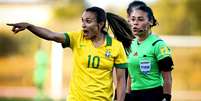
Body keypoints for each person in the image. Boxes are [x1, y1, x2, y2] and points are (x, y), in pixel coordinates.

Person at [7, 6, 134, 101]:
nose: (83, 25)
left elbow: (121, 80)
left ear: (100, 24)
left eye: (88, 21)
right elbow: (51, 35)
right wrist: (29, 26)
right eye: (82, 21)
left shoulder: (116, 47)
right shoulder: (77, 38)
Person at [126, 1, 174, 101]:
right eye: (133, 19)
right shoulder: (131, 44)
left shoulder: (158, 44)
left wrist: (166, 97)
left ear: (150, 21)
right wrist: (127, 95)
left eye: (140, 19)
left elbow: (167, 77)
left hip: (153, 94)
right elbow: (130, 75)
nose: (135, 23)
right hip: (134, 95)